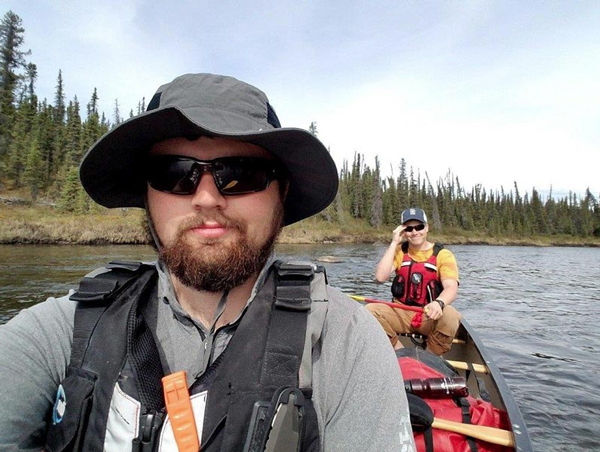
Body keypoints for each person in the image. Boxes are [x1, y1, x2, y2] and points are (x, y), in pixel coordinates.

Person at [0, 73, 416, 452]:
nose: (206, 197)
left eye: (240, 173)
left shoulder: (346, 345)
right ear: (147, 193)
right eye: (175, 173)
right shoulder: (61, 331)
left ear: (281, 194)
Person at [368, 207, 460, 356]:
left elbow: (451, 287)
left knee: (451, 316)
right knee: (369, 311)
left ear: (427, 228)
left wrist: (439, 303)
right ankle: (399, 353)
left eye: (419, 227)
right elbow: (380, 277)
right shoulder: (399, 251)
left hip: (429, 314)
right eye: (409, 229)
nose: (415, 232)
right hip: (401, 313)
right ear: (403, 232)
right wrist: (393, 243)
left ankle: (429, 358)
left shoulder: (443, 255)